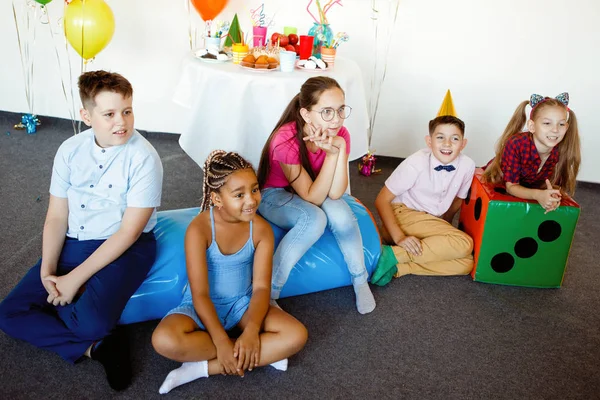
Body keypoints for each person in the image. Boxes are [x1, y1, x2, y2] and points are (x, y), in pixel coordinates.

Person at [0, 70, 164, 391]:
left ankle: (88, 327)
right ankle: (96, 348)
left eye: (127, 111)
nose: (122, 122)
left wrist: (74, 279)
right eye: (109, 114)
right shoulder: (69, 150)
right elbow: (57, 216)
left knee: (93, 321)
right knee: (8, 314)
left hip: (126, 245)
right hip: (76, 241)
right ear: (86, 116)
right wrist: (48, 270)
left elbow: (128, 233)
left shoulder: (144, 158)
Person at [152, 150, 307, 394]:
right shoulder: (199, 229)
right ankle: (256, 353)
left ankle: (202, 368)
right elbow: (200, 294)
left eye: (255, 190)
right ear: (217, 199)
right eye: (239, 194)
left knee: (296, 335)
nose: (251, 201)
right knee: (163, 339)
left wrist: (253, 330)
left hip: (243, 304)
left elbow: (261, 288)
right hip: (199, 305)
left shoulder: (261, 230)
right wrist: (221, 341)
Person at [256, 76, 376, 315]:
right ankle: (269, 292)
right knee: (314, 219)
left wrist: (337, 148)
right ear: (306, 114)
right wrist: (332, 156)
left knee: (342, 215)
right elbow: (311, 197)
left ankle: (360, 279)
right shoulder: (285, 139)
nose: (337, 119)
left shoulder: (341, 134)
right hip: (276, 195)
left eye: (341, 110)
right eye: (327, 112)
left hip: (316, 189)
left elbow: (336, 191)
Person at [371, 113, 476, 286]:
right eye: (440, 137)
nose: (447, 144)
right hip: (402, 215)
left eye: (455, 139)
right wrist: (399, 237)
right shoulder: (416, 163)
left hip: (428, 221)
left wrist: (445, 225)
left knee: (466, 263)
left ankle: (399, 267)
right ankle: (393, 253)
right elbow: (381, 200)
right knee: (464, 243)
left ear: (463, 144)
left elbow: (458, 199)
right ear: (429, 141)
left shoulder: (468, 165)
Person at [483, 93, 581, 212]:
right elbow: (511, 187)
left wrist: (552, 195)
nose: (555, 130)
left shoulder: (561, 150)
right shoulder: (516, 144)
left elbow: (553, 184)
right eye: (547, 123)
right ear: (532, 126)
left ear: (566, 127)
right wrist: (538, 195)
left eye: (561, 124)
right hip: (501, 182)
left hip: (530, 187)